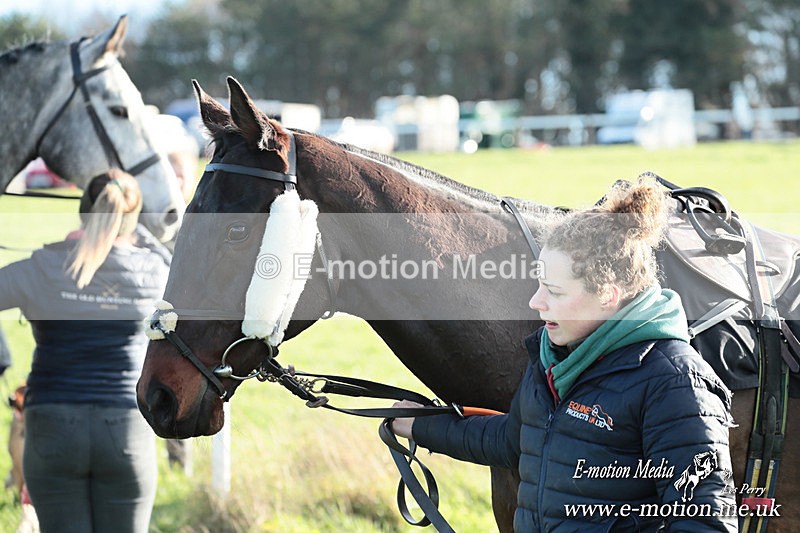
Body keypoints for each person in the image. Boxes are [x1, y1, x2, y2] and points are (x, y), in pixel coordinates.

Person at [391, 176, 737, 531]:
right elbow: (514, 441)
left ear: (608, 295)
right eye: (539, 285)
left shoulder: (675, 382)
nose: (536, 302)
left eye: (554, 292)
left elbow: (706, 523)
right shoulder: (553, 358)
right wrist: (421, 425)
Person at [0, 169, 170, 533]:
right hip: (124, 426)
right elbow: (171, 264)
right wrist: (140, 234)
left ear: (83, 211)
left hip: (51, 423)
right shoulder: (153, 270)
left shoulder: (43, 266)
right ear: (132, 220)